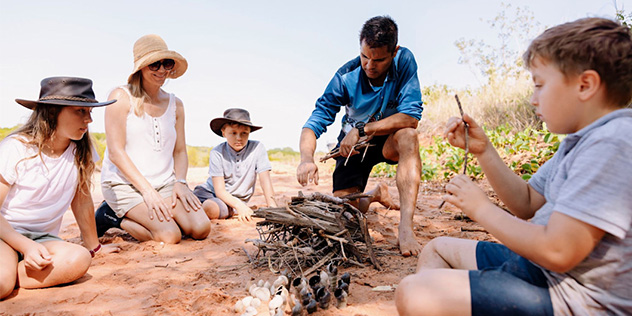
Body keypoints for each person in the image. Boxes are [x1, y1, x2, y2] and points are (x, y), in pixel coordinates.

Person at [396, 17, 632, 315]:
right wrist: (484, 151)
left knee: (414, 292)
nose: (533, 100)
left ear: (585, 85)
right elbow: (528, 203)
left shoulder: (613, 143)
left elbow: (558, 251)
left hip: (576, 300)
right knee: (437, 248)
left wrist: (481, 209)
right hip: (543, 271)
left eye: (540, 85)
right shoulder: (581, 141)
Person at [296, 16, 424, 256]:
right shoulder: (345, 76)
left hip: (387, 140)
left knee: (408, 136)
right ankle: (374, 195)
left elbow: (410, 117)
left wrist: (362, 129)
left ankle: (405, 227)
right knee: (348, 212)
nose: (369, 66)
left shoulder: (404, 60)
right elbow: (314, 121)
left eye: (379, 59)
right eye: (365, 57)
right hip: (352, 147)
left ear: (394, 52)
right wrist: (306, 158)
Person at [0, 77, 121, 299]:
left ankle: (11, 274)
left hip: (44, 239)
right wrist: (25, 247)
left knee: (79, 259)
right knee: (1, 284)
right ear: (52, 112)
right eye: (80, 111)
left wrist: (93, 247)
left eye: (90, 112)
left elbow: (82, 200)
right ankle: (6, 276)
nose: (89, 119)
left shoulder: (81, 151)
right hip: (5, 235)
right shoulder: (15, 148)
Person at [95, 34, 210, 243]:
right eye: (154, 64)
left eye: (166, 63)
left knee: (201, 228)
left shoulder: (177, 105)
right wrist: (147, 192)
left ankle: (157, 216)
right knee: (170, 235)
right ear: (141, 67)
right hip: (124, 185)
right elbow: (115, 152)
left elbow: (180, 151)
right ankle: (111, 217)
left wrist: (181, 183)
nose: (162, 70)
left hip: (164, 184)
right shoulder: (121, 97)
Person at [193, 108, 277, 222]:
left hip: (233, 201)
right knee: (211, 208)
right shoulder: (217, 152)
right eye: (233, 133)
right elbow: (220, 191)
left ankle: (203, 209)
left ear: (249, 133)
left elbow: (265, 180)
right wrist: (239, 206)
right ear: (223, 132)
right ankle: (192, 205)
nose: (239, 138)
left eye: (244, 133)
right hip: (210, 193)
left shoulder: (257, 148)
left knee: (218, 209)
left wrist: (273, 208)